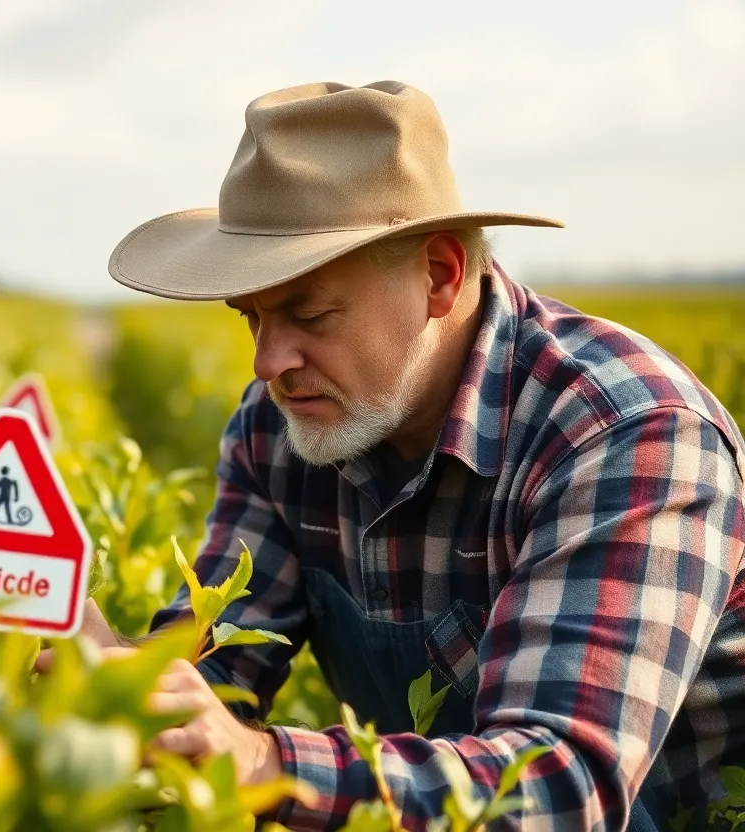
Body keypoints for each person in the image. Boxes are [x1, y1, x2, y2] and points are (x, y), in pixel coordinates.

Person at [78, 81, 745, 830]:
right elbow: (222, 671)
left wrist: (262, 764)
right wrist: (121, 686)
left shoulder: (624, 434)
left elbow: (563, 787)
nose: (269, 361)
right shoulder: (284, 427)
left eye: (309, 312)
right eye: (251, 317)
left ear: (439, 274)